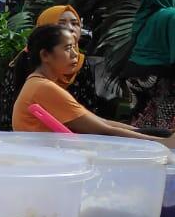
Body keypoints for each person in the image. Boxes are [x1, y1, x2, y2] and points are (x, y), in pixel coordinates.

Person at [13, 25, 154, 138]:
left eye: (75, 47)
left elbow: (102, 123)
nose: (75, 54)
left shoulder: (37, 84)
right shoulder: (43, 88)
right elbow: (104, 130)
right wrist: (164, 142)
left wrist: (159, 134)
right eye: (68, 48)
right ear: (45, 55)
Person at [127, 0, 175, 131]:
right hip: (164, 78)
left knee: (141, 125)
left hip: (134, 76)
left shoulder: (145, 18)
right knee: (169, 128)